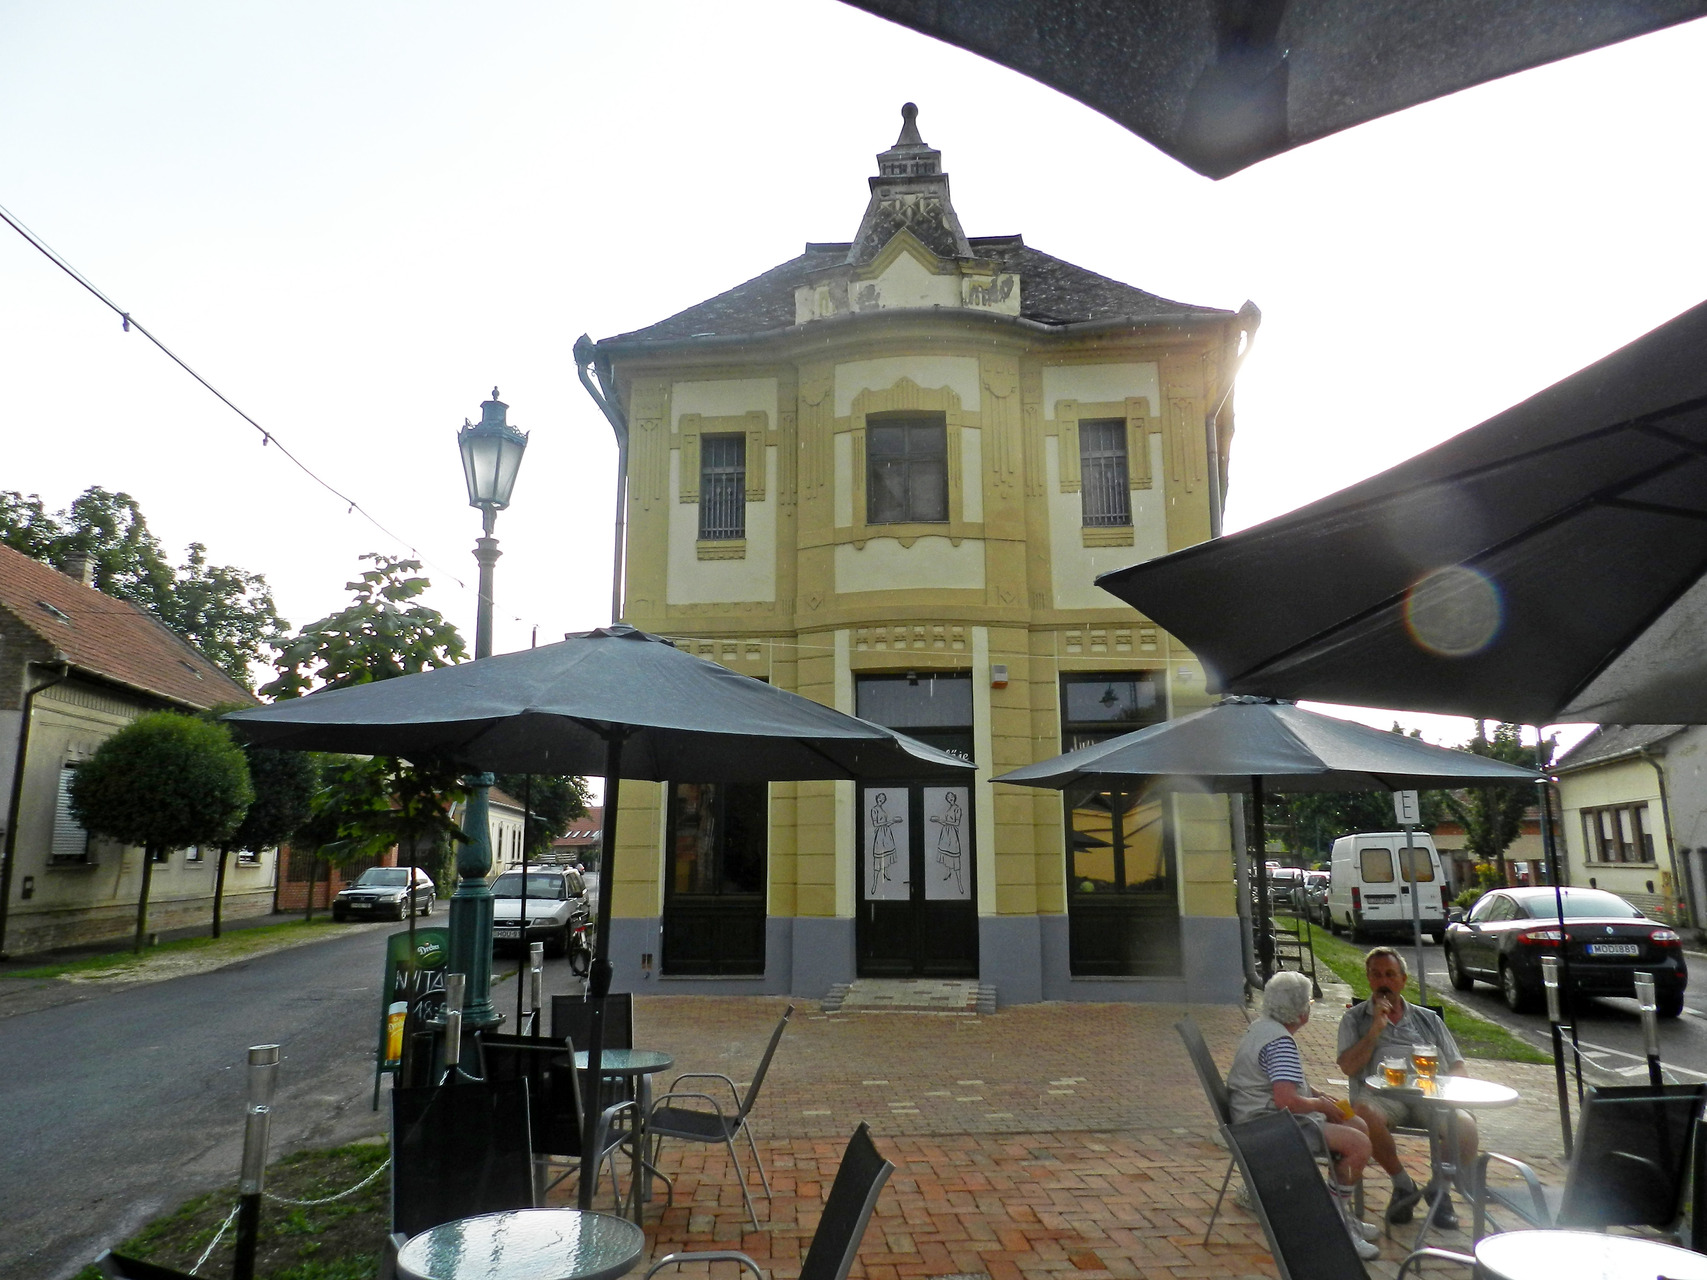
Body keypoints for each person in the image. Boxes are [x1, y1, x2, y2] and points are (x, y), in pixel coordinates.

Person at [1228, 970, 1381, 1260]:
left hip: (1263, 1117)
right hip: (1269, 1126)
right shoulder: (1280, 1043)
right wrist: (1320, 1105)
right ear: (1300, 1012)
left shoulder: (1263, 1027)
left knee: (1357, 1123)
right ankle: (1334, 1224)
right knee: (1359, 1145)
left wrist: (1319, 1096)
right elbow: (1286, 1100)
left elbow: (1284, 1084)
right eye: (1309, 1002)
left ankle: (1339, 1212)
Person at [1336, 946, 1478, 1230]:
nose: (1383, 981)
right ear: (1368, 979)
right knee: (1362, 1114)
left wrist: (1450, 1093)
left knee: (1466, 1126)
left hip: (1429, 1096)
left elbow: (1457, 1066)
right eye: (1376, 975)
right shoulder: (1354, 1019)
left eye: (1390, 974)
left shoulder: (1428, 1019)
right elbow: (1348, 1067)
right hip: (1382, 1096)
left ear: (1403, 980)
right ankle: (1403, 1185)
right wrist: (1375, 1030)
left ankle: (1439, 1191)